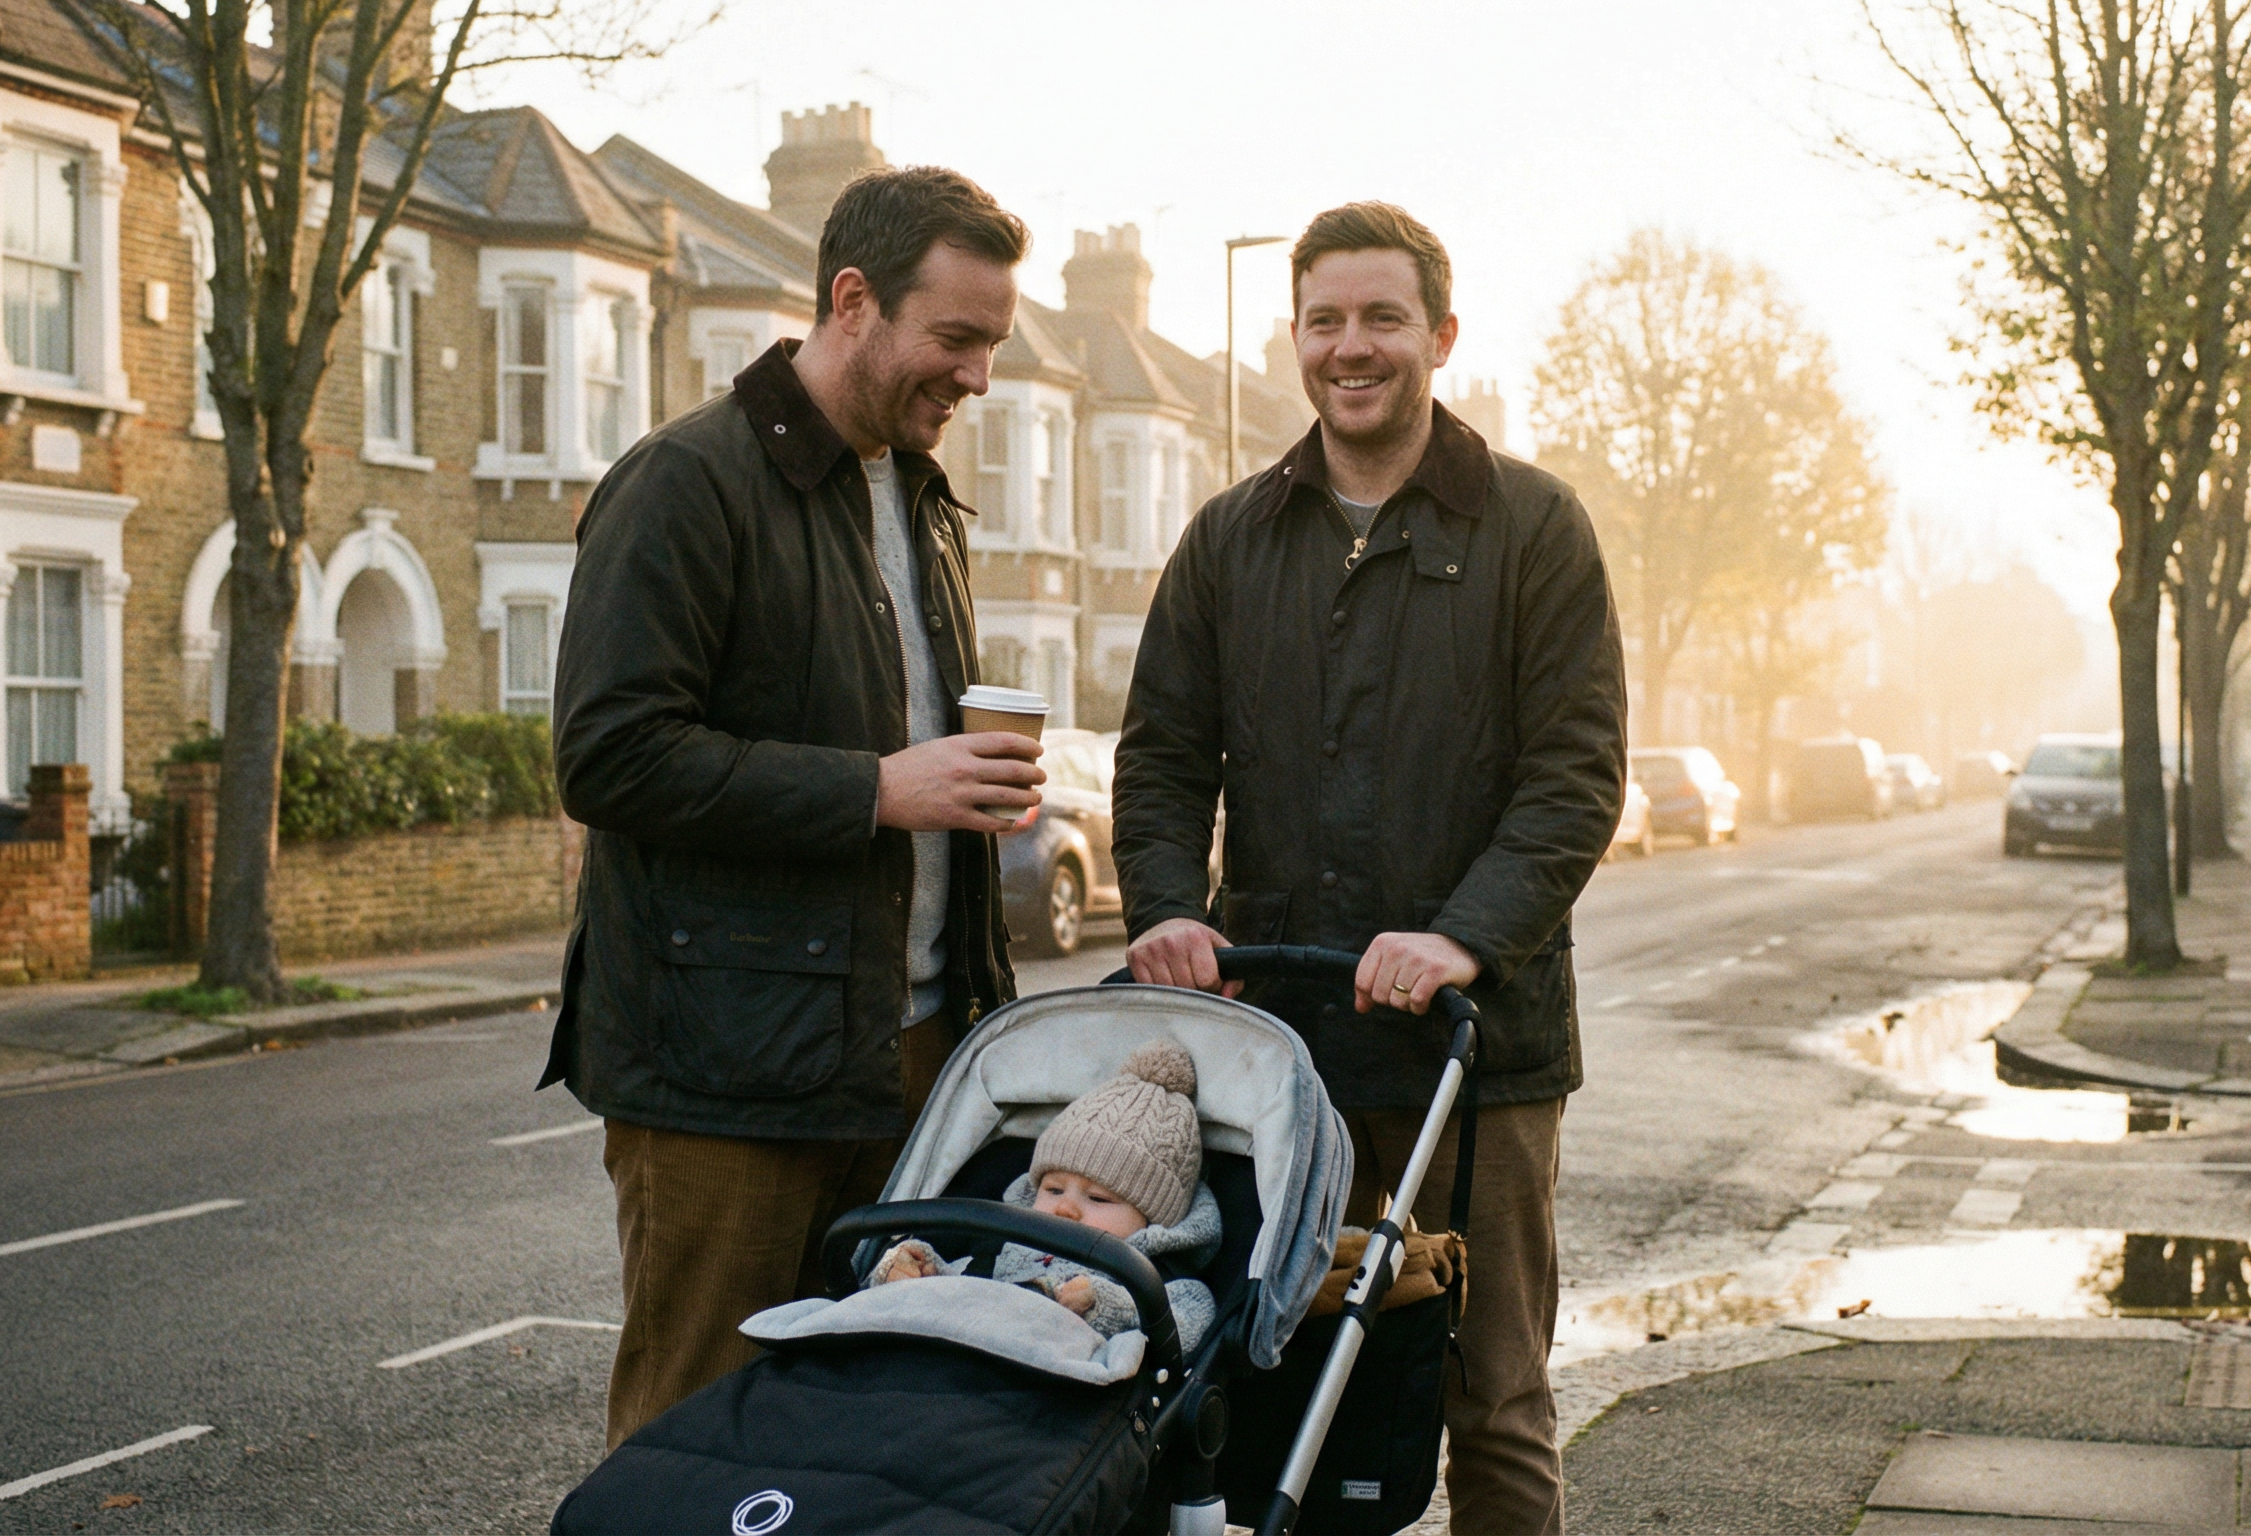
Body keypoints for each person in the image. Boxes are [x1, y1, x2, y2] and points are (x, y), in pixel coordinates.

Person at [1113, 202, 1626, 1531]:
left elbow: (1574, 776)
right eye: (1324, 319)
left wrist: (1463, 936)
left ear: (1440, 336)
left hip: (1478, 1057)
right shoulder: (1230, 538)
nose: (1352, 346)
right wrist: (1165, 909)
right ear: (1293, 339)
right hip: (1289, 1057)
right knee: (1278, 1382)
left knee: (1492, 1394)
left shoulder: (1534, 527)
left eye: (1382, 318)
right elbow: (1161, 757)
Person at [543, 165, 1042, 1450]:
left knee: (866, 1441)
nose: (979, 376)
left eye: (991, 344)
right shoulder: (682, 481)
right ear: (853, 300)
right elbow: (608, 756)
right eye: (957, 338)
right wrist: (876, 789)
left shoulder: (921, 497)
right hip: (724, 1076)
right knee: (695, 1434)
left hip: (913, 1057)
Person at [868, 1039, 1221, 1350]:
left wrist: (1105, 1305)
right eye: (1053, 1189)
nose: (1065, 1207)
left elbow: (1188, 1320)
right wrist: (924, 1273)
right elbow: (971, 1290)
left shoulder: (1153, 1279)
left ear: (1154, 1222)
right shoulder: (1006, 1248)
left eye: (1098, 1198)